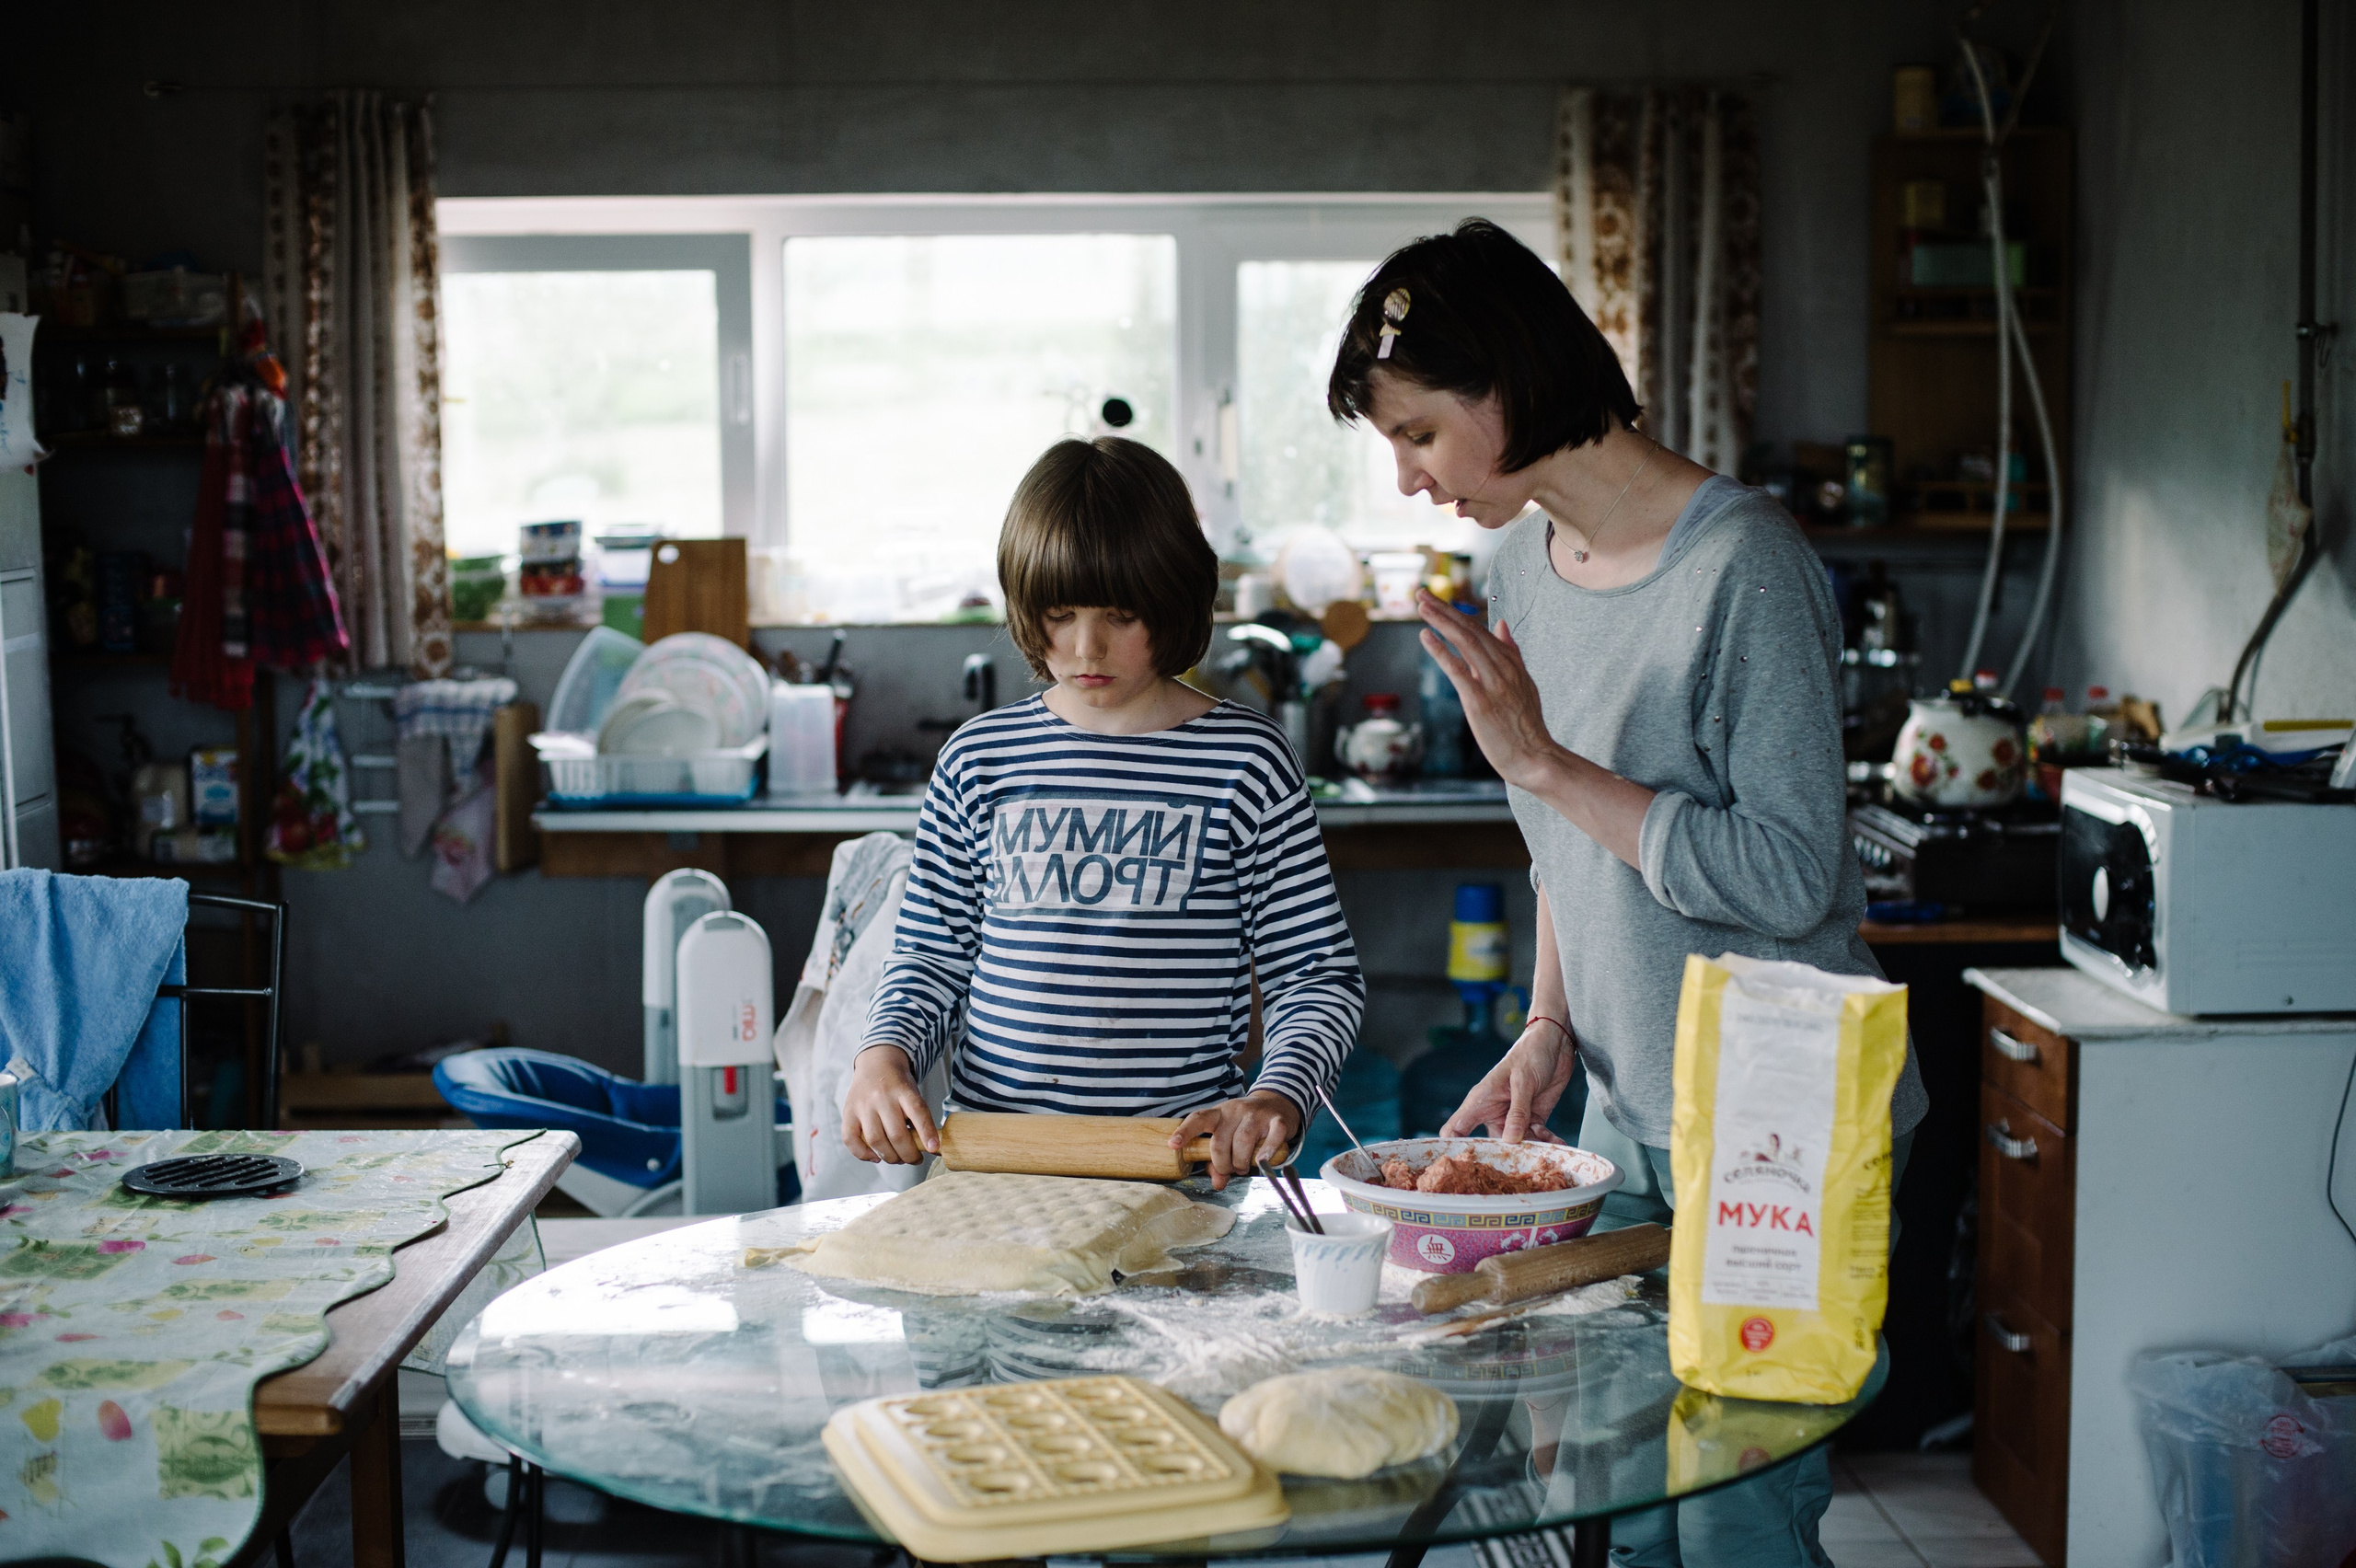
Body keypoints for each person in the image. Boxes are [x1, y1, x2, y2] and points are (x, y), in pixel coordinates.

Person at [1329, 220, 1928, 1566]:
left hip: (1780, 1120)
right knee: (1624, 1517)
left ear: (1503, 384)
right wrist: (1547, 1023)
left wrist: (1546, 758)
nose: (1411, 478)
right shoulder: (1518, 575)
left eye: (1420, 433)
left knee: (1735, 1528)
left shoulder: (1746, 567)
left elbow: (1789, 876)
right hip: (1623, 1108)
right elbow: (1560, 840)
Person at [841, 436, 1366, 1188]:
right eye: (1059, 613)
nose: (1086, 645)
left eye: (1121, 615)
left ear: (1174, 599)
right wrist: (881, 1059)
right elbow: (930, 957)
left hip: (1182, 1174)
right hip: (999, 1174)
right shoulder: (979, 759)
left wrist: (1275, 1094)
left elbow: (1314, 975)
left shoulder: (1245, 762)